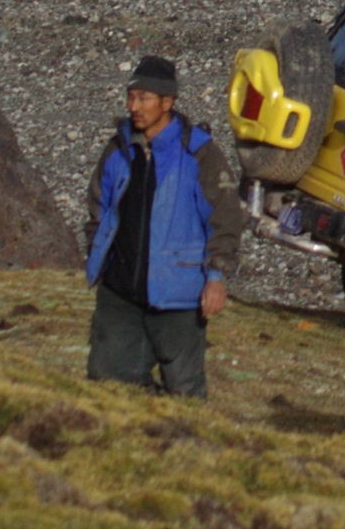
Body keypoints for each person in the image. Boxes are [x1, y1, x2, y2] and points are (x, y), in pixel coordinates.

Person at [83, 55, 240, 396]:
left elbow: (224, 219)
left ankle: (187, 445)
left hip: (178, 294)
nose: (133, 106)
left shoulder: (201, 154)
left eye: (143, 98)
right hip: (120, 290)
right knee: (106, 380)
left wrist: (216, 278)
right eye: (131, 97)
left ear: (167, 102)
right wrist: (98, 255)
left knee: (184, 389)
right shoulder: (118, 148)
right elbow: (98, 204)